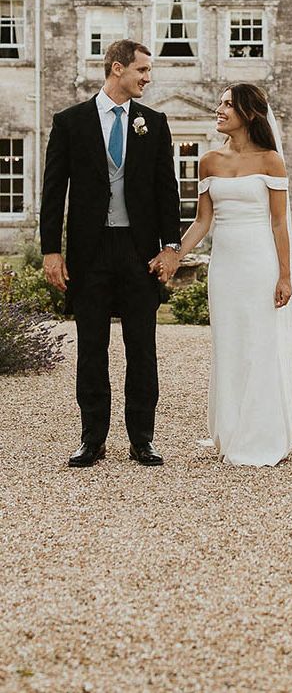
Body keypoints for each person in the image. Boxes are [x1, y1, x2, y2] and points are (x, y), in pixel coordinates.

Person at [40, 39, 181, 468]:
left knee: (142, 347)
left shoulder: (153, 123)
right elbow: (53, 192)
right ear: (117, 69)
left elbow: (166, 191)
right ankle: (92, 439)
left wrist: (171, 247)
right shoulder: (71, 122)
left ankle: (142, 439)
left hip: (139, 251)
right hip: (90, 250)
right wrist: (51, 250)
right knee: (91, 348)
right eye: (141, 70)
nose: (147, 78)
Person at [166, 83, 292, 466]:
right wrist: (174, 254)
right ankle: (229, 429)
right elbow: (202, 220)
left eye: (228, 104)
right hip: (225, 267)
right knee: (229, 345)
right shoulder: (208, 161)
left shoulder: (271, 161)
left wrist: (284, 275)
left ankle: (260, 435)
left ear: (249, 114)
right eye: (220, 103)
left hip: (260, 263)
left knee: (259, 344)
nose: (219, 109)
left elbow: (279, 224)